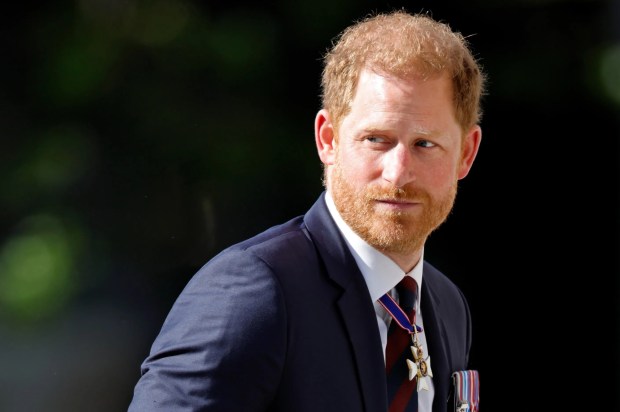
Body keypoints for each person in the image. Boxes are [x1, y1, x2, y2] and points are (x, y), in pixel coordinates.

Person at [128, 9, 485, 412]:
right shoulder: (255, 292)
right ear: (328, 139)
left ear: (466, 153)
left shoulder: (446, 305)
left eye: (425, 144)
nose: (398, 172)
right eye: (376, 139)